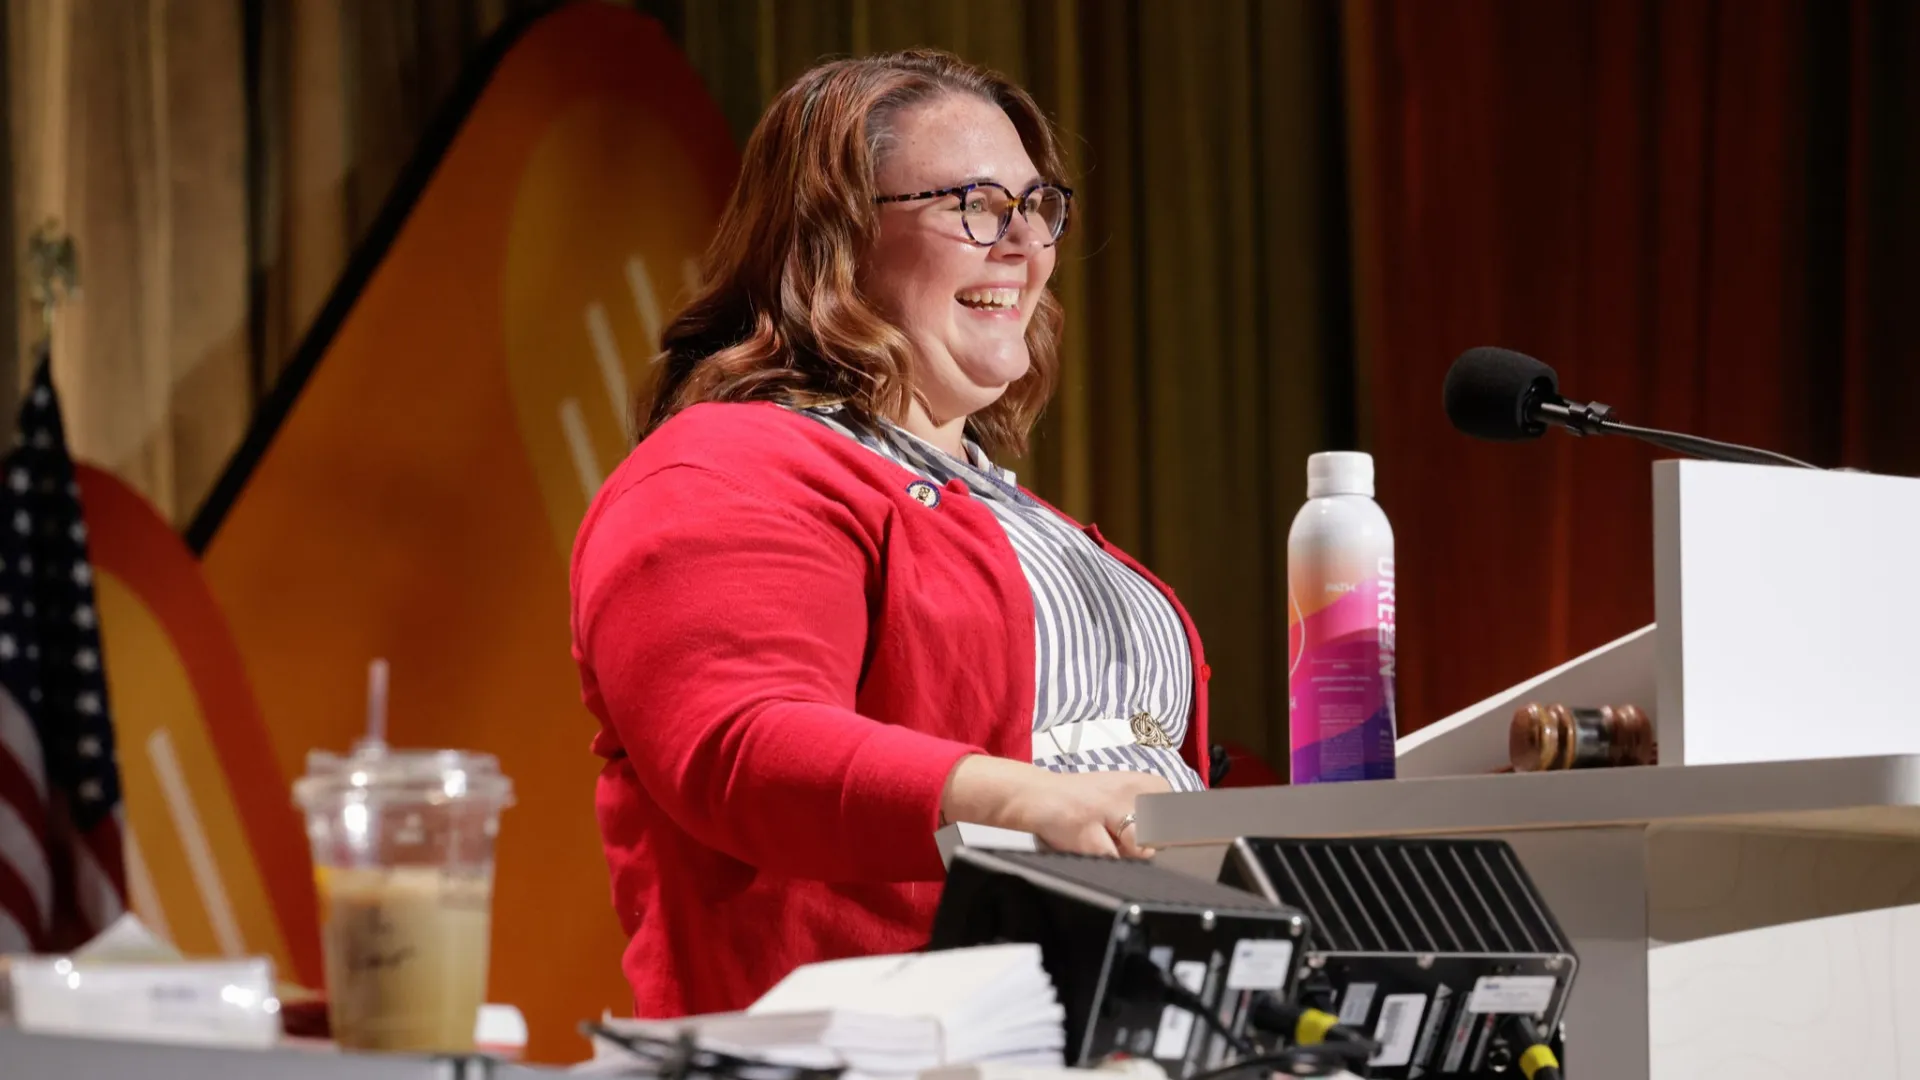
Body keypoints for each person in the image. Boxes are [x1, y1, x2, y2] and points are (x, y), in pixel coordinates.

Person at [569, 48, 1214, 1020]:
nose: (1024, 244)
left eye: (1037, 205)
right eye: (976, 205)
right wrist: (1021, 799)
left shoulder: (998, 500)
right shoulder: (722, 466)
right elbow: (740, 745)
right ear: (835, 236)